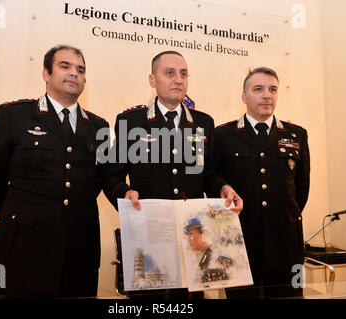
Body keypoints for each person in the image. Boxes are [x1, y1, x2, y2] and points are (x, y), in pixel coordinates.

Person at [103, 51, 243, 298]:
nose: (178, 79)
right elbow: (111, 175)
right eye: (169, 73)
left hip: (192, 238)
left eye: (183, 74)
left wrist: (222, 188)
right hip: (148, 234)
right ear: (152, 79)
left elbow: (208, 172)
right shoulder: (131, 121)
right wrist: (124, 193)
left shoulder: (202, 124)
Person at [0, 44, 109, 298]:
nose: (74, 73)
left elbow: (97, 181)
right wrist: (20, 216)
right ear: (46, 74)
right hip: (25, 247)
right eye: (65, 66)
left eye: (80, 70)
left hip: (80, 249)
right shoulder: (14, 116)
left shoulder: (98, 126)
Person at [213, 67, 310, 298]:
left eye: (273, 89)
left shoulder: (296, 135)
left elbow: (301, 190)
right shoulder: (223, 135)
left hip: (287, 244)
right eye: (259, 89)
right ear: (244, 97)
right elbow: (213, 177)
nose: (267, 95)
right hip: (240, 243)